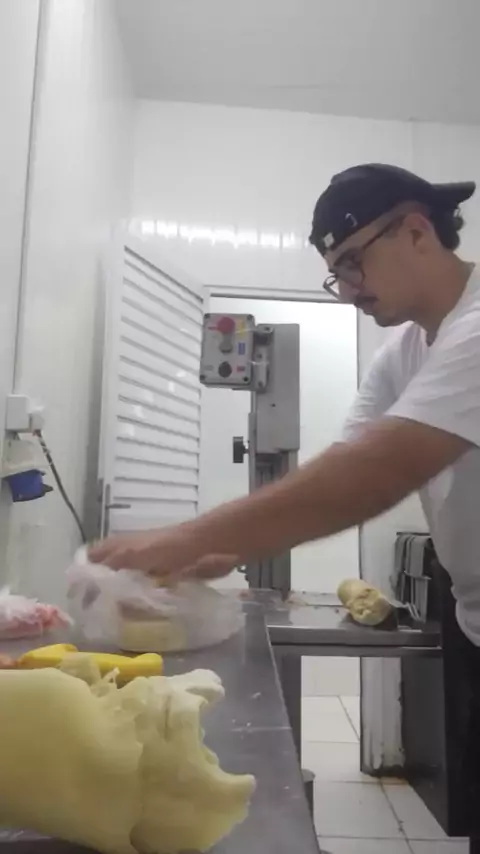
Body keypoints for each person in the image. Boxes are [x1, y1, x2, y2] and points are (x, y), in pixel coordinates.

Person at [91, 162, 480, 647]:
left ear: (417, 233)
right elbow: (348, 458)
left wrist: (190, 539)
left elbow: (379, 469)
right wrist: (228, 547)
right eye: (336, 275)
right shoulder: (403, 353)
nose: (347, 293)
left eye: (352, 262)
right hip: (469, 619)